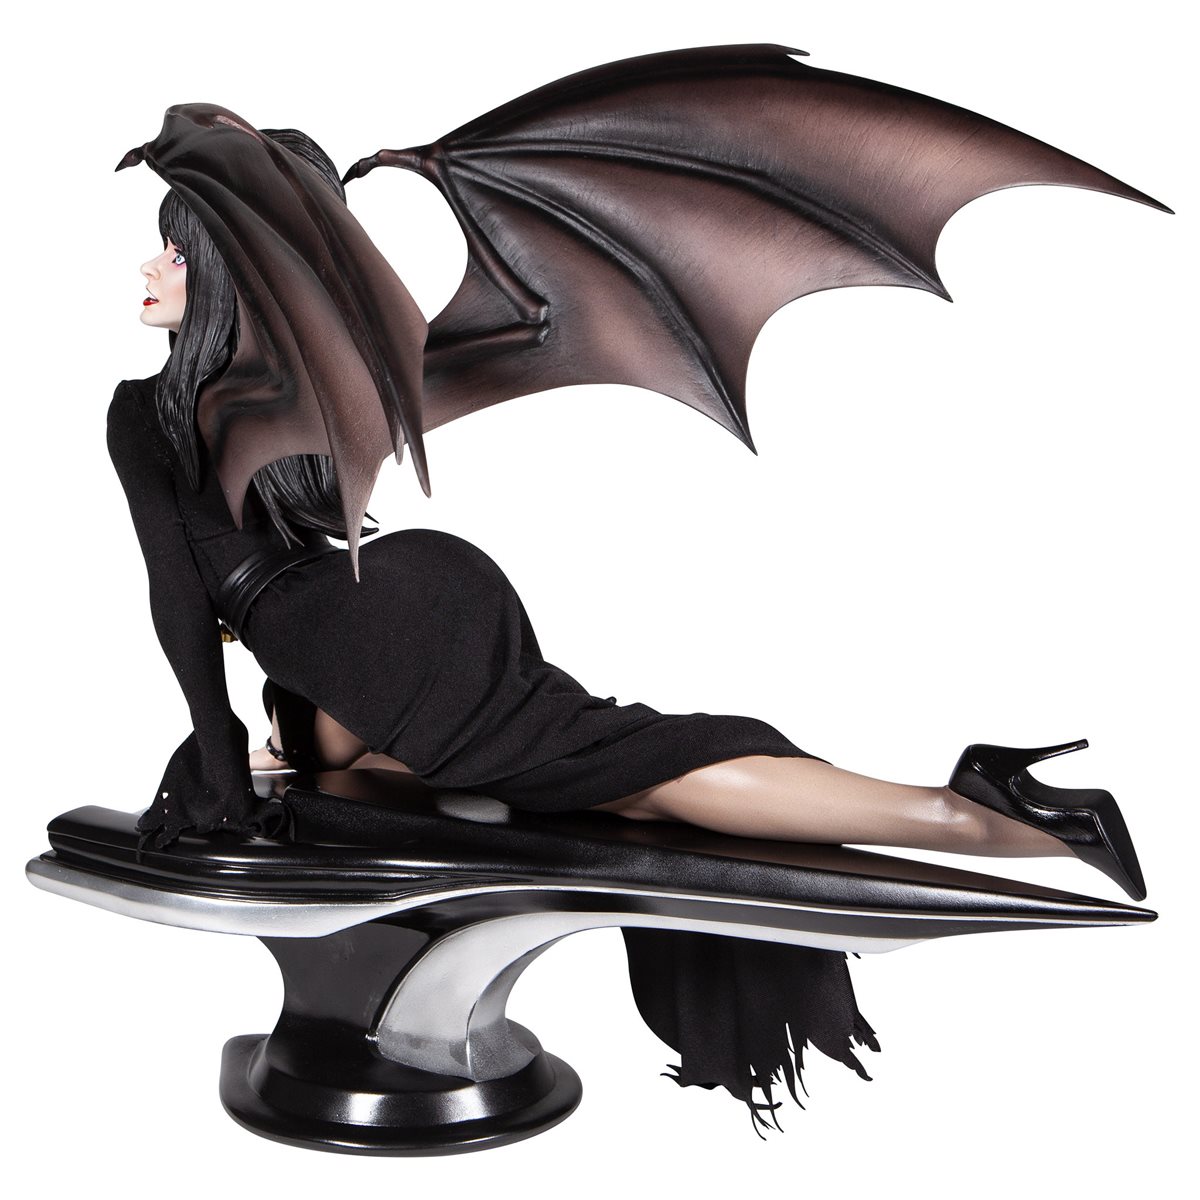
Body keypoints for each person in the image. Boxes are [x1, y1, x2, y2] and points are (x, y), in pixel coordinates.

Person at [113, 119, 1147, 1128]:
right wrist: (254, 746)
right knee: (601, 764)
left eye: (179, 249)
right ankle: (972, 804)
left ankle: (964, 812)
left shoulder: (149, 413)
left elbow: (180, 602)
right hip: (405, 599)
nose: (151, 267)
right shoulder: (310, 379)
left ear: (233, 273)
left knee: (626, 776)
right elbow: (272, 655)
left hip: (364, 634)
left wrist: (215, 752)